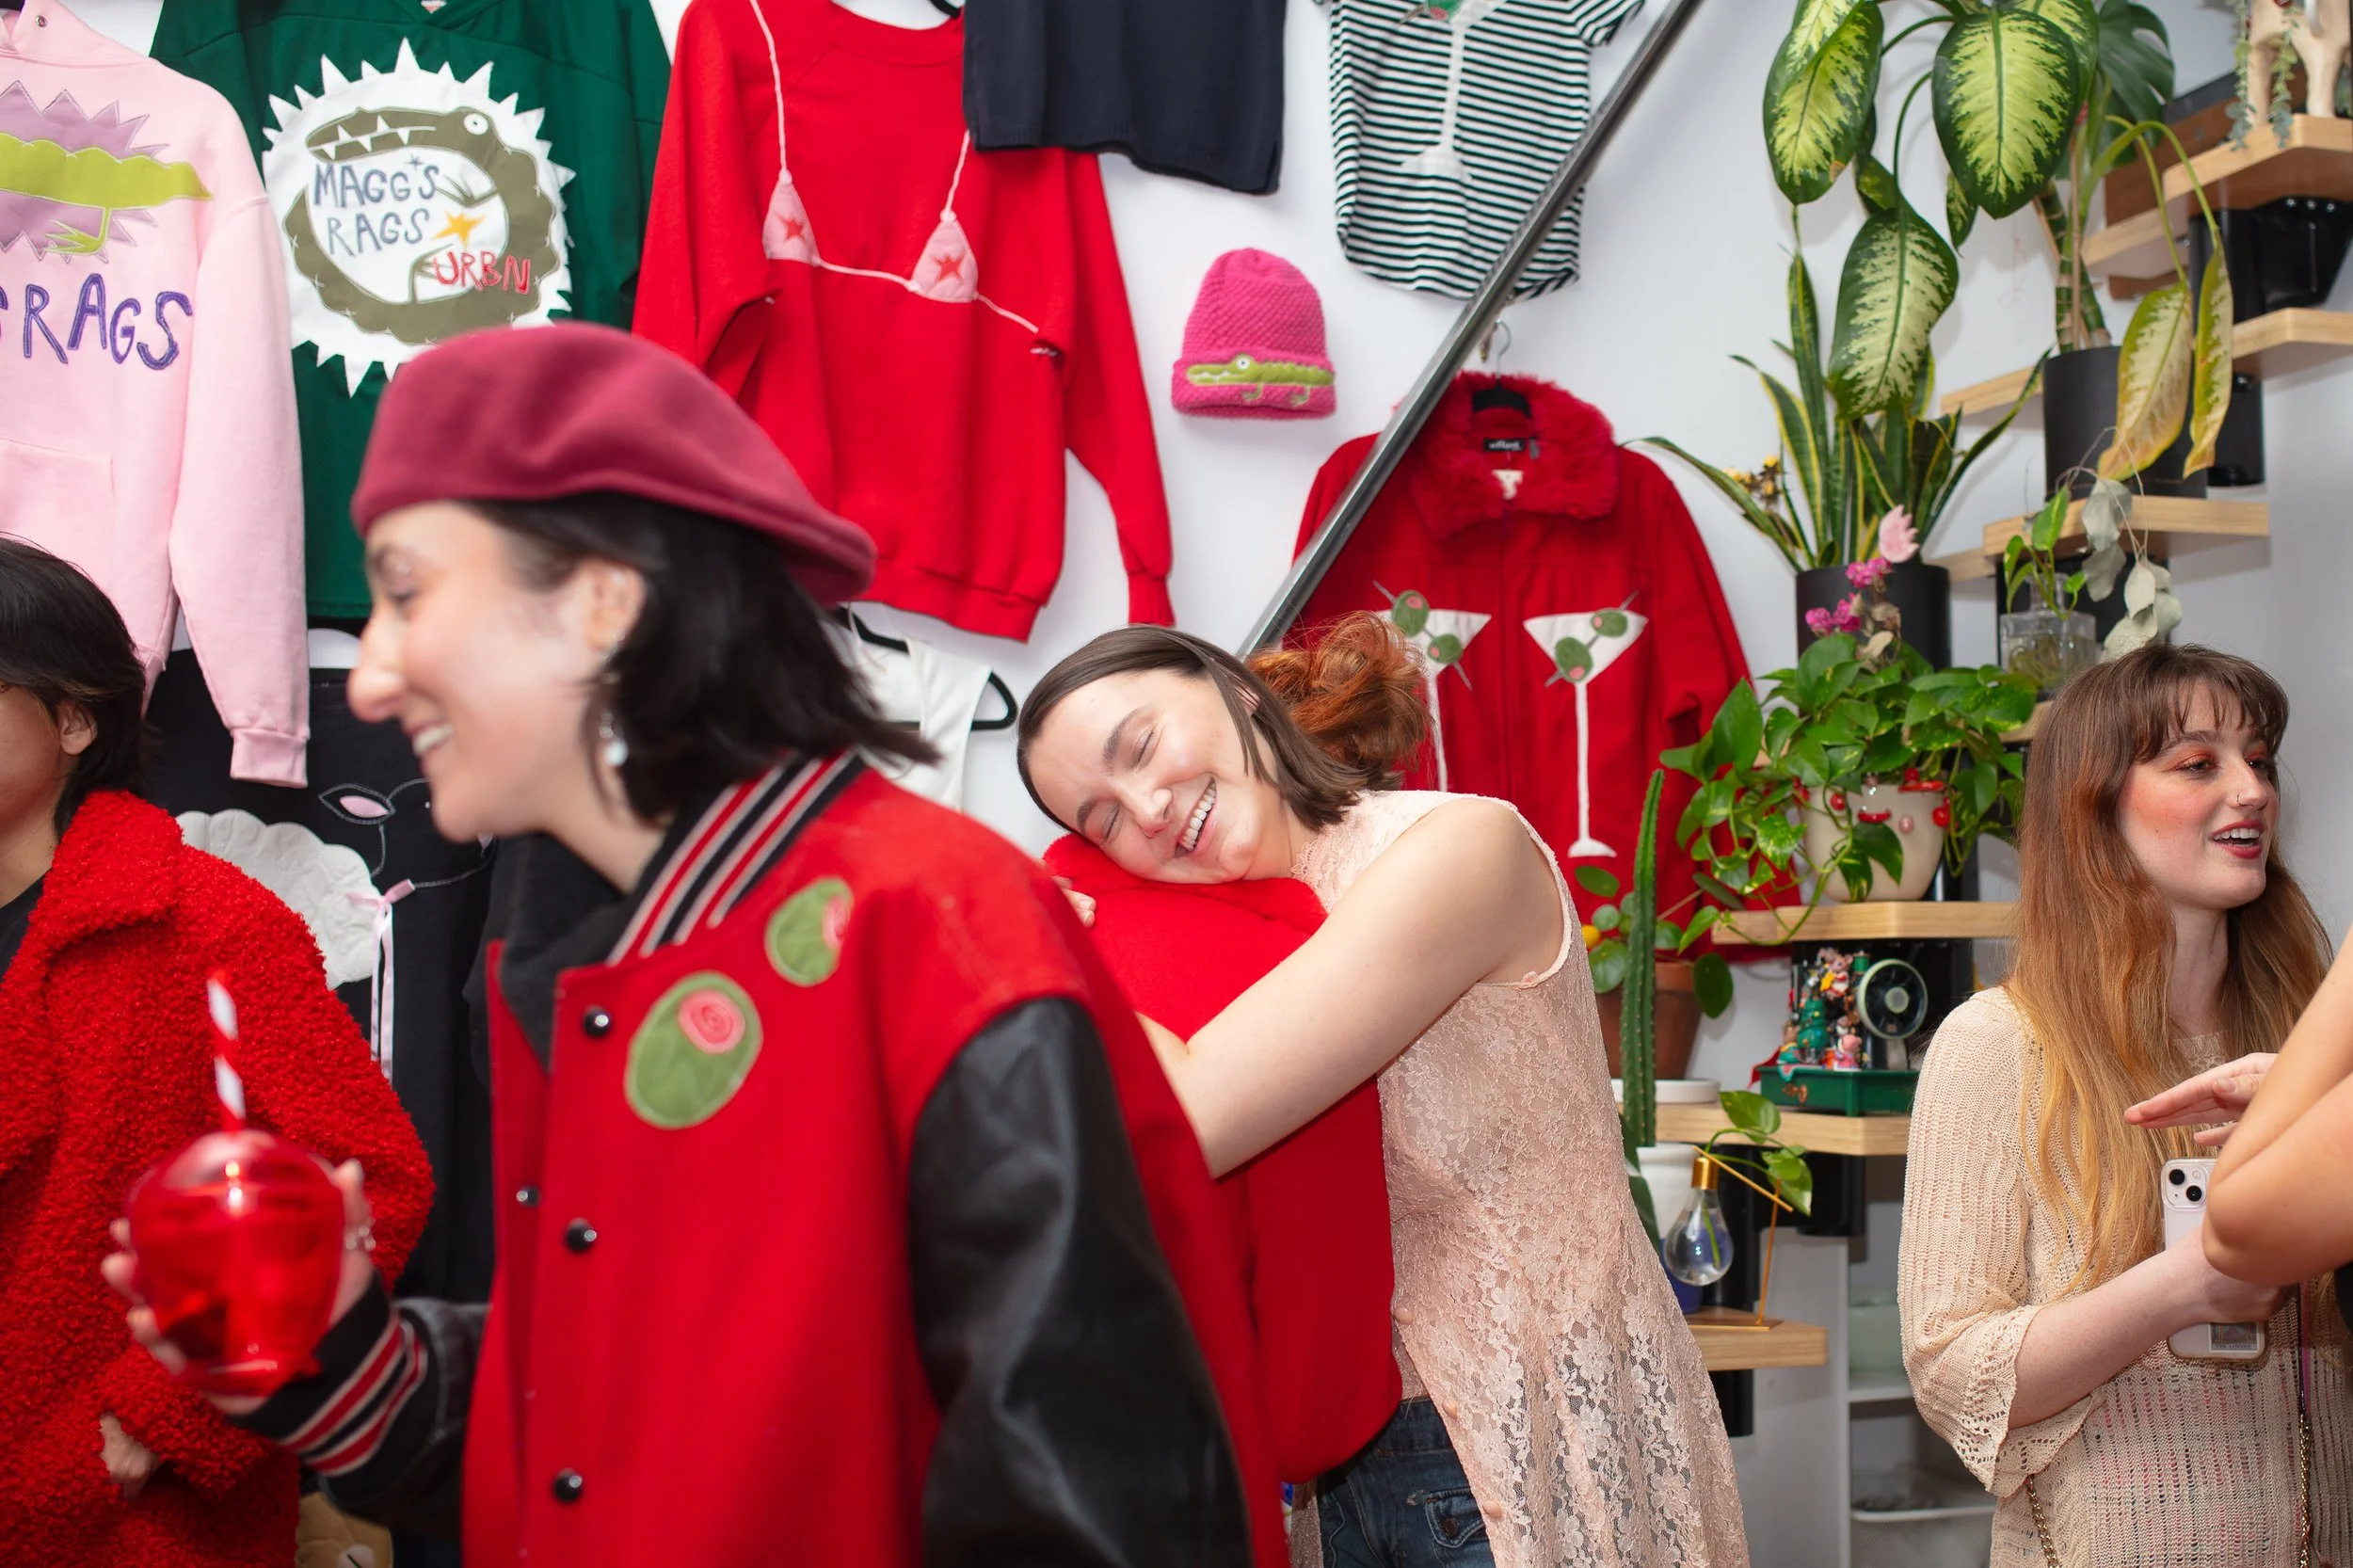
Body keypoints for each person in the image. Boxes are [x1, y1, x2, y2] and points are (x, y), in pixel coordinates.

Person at [106, 324, 1259, 1567]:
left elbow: (1106, 1496)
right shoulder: (579, 959)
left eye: (408, 592)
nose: (372, 677)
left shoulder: (928, 924)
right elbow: (601, 1440)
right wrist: (334, 1352)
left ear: (604, 599)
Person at [1019, 614, 1749, 1568]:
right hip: (1339, 1466)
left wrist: (1043, 943)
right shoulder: (1217, 919)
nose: (1146, 809)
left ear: (1236, 690)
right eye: (1102, 818)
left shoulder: (1458, 849)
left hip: (1520, 1432)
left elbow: (1188, 1121)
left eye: (1142, 746)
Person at [0, 538, 434, 1568]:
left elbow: (367, 1184)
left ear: (73, 719)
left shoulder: (202, 921)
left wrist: (153, 1419)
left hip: (120, 1514)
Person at [1898, 643, 2350, 1568]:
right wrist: (2187, 1285)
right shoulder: (1997, 1045)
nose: (2252, 792)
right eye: (2198, 764)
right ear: (2094, 807)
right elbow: (1952, 1374)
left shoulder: (2316, 1037)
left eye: (2259, 761)